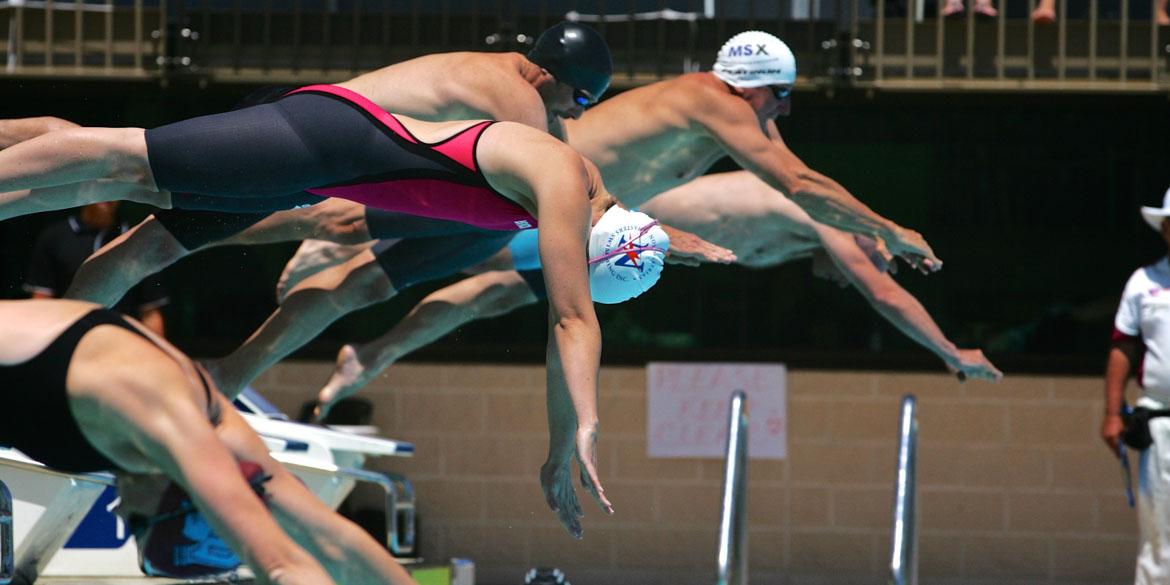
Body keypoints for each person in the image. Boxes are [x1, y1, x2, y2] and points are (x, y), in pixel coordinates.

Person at [0, 81, 673, 536]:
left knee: (130, 185)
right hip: (318, 140)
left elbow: (570, 320)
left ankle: (46, 359)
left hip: (315, 174)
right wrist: (579, 427)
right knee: (120, 160)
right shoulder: (559, 175)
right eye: (574, 270)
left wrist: (561, 437)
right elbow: (571, 320)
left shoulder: (593, 204)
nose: (556, 270)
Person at [312, 170, 1002, 420]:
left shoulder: (798, 240)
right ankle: (337, 237)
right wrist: (948, 349)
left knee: (487, 294)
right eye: (871, 257)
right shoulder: (833, 222)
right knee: (465, 246)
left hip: (611, 243)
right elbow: (884, 295)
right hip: (598, 225)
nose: (857, 272)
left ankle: (369, 352)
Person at [0, 298, 418, 585]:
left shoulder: (211, 419)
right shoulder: (159, 410)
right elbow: (281, 564)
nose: (118, 511)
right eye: (138, 522)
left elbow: (332, 539)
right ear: (179, 497)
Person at [1103, 188, 1170, 585]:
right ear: (1165, 229)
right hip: (1162, 423)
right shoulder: (1144, 282)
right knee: (1162, 535)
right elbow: (1123, 347)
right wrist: (1113, 412)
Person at [25, 201, 169, 335]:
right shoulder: (54, 237)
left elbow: (150, 312)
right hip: (69, 341)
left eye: (114, 186)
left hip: (121, 346)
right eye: (102, 184)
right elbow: (41, 301)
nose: (108, 196)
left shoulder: (138, 240)